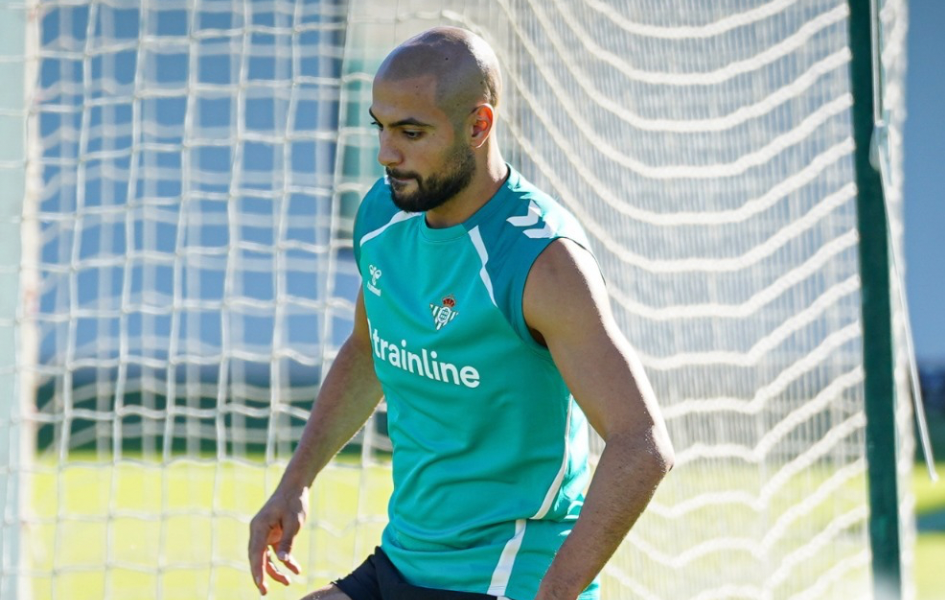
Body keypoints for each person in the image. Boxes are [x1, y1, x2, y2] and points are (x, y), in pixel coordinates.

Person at [248, 26, 674, 600]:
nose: (386, 152)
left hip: (507, 578)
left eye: (411, 132)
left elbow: (641, 443)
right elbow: (370, 349)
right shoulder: (382, 214)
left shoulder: (542, 261)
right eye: (380, 126)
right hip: (405, 559)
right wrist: (296, 481)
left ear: (478, 125)